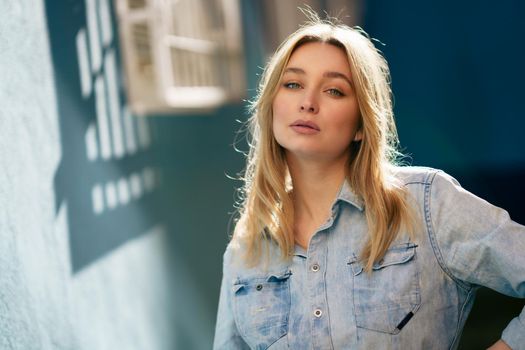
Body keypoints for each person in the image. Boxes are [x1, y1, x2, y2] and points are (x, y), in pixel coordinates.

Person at [213, 14, 525, 350]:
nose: (308, 102)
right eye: (292, 84)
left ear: (362, 124)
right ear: (272, 106)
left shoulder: (427, 204)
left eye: (334, 90)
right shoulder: (246, 249)